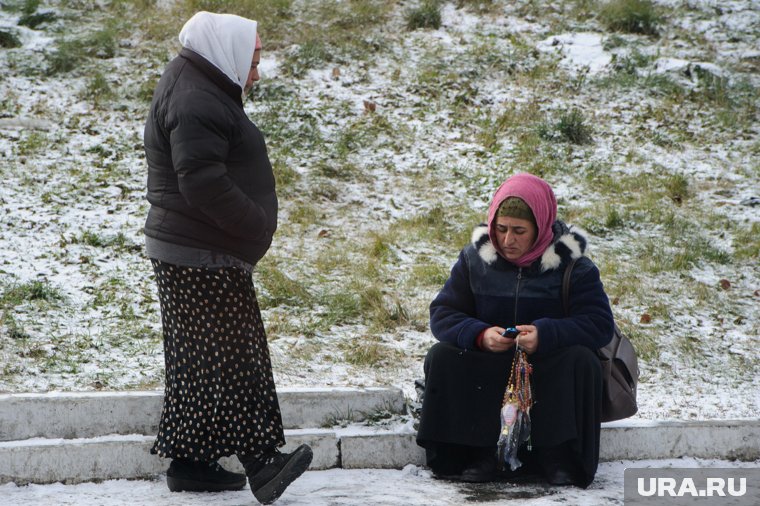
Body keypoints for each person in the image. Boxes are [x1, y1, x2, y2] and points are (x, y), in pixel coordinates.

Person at [142, 11, 311, 504]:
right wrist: (256, 224)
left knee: (197, 359)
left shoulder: (197, 81)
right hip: (202, 252)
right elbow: (200, 180)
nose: (256, 73)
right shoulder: (197, 97)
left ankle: (192, 462)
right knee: (236, 357)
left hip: (190, 248)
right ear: (228, 53)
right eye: (253, 62)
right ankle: (262, 463)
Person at [416, 172, 614, 488]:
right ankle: (475, 455)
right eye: (501, 228)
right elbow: (443, 314)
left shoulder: (575, 268)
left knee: (580, 360)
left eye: (520, 231)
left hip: (546, 366)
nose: (508, 240)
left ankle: (558, 457)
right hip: (490, 365)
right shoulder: (473, 260)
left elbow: (599, 325)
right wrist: (480, 335)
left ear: (541, 229)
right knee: (443, 355)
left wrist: (547, 335)